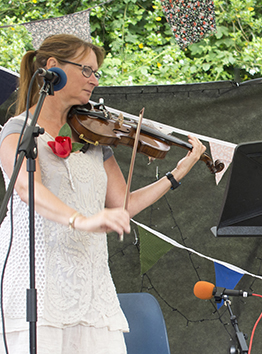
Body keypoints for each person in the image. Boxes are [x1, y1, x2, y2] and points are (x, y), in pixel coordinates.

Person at [0, 34, 206, 353]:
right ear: (53, 67)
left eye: (97, 73)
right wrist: (79, 219)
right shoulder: (19, 130)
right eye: (87, 70)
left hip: (92, 288)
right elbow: (28, 188)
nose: (95, 80)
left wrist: (177, 173)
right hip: (39, 282)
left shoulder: (94, 141)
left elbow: (125, 204)